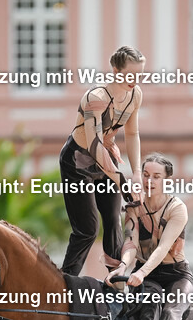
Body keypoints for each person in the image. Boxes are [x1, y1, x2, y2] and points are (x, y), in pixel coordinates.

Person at [105, 152, 192, 320]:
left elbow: (164, 247)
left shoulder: (177, 209)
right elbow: (131, 242)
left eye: (156, 176)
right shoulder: (133, 207)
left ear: (166, 180)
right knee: (148, 306)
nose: (149, 181)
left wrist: (140, 273)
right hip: (148, 273)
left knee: (172, 311)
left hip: (176, 274)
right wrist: (123, 266)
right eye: (145, 175)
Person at [60, 46, 146, 276]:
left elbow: (132, 134)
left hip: (105, 158)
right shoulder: (95, 98)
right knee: (87, 229)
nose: (135, 80)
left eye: (139, 75)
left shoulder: (134, 95)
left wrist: (136, 173)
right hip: (78, 162)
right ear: (116, 70)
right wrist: (121, 181)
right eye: (130, 74)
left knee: (112, 220)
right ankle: (65, 283)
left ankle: (115, 280)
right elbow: (94, 145)